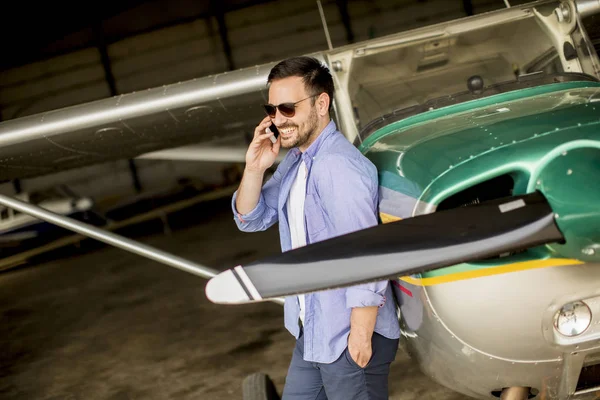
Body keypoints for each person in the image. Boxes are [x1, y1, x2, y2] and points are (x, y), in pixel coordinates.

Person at [231, 56, 400, 400]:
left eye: (288, 108)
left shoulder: (338, 166)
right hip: (315, 331)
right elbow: (251, 218)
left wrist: (360, 336)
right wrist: (254, 167)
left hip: (348, 334)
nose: (278, 119)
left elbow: (367, 253)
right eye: (272, 109)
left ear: (322, 104)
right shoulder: (297, 162)